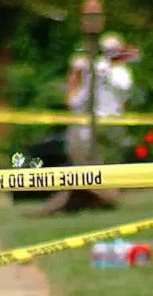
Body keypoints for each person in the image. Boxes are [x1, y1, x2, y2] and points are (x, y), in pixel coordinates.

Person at [36, 33, 135, 215]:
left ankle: (102, 199)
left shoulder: (110, 71)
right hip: (97, 125)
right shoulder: (109, 71)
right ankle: (88, 200)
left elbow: (78, 99)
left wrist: (81, 73)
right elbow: (77, 99)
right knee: (90, 166)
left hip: (99, 126)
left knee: (94, 167)